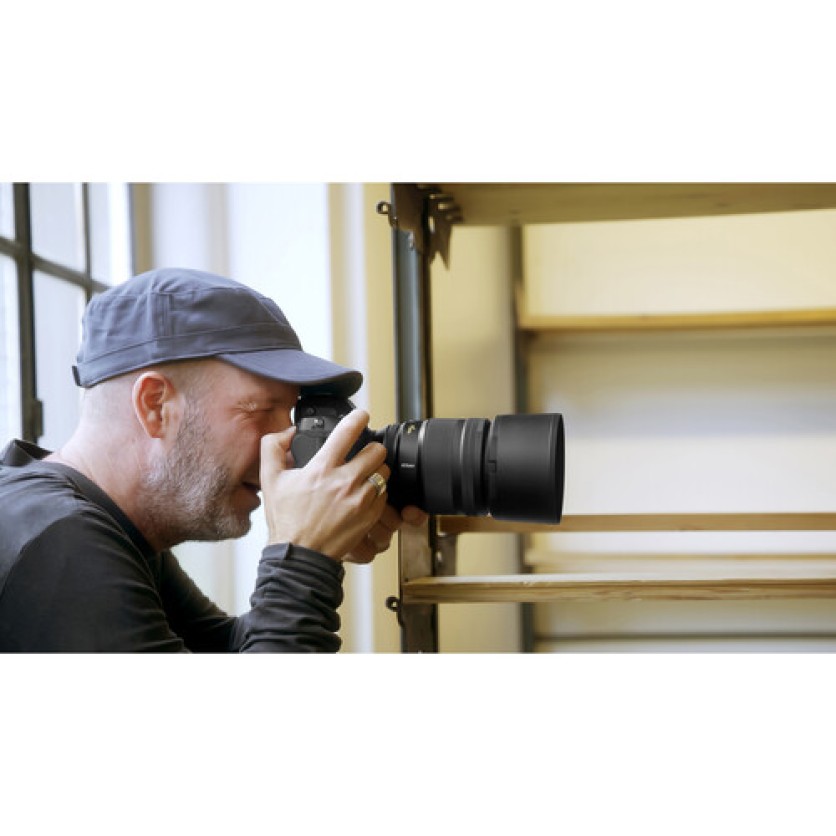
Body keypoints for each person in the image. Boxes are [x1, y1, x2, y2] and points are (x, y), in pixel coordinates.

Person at [0, 267, 425, 652]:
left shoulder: (104, 523)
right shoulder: (57, 541)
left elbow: (227, 652)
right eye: (261, 410)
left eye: (292, 415)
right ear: (155, 405)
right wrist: (302, 559)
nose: (285, 448)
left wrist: (320, 548)